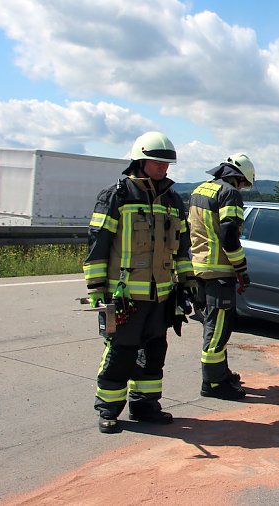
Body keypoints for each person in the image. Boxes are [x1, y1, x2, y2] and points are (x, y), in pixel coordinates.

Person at [83, 131, 195, 433]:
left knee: (154, 352)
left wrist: (187, 283)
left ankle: (145, 405)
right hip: (125, 296)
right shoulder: (116, 197)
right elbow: (98, 244)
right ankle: (108, 409)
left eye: (167, 163)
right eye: (157, 162)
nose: (164, 168)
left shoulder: (173, 200)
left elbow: (182, 246)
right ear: (140, 160)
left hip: (161, 295)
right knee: (121, 352)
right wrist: (96, 289)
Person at [189, 153, 256, 400]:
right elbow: (229, 236)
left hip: (200, 267)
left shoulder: (200, 190)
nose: (242, 188)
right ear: (238, 177)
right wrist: (241, 269)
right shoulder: (229, 193)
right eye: (243, 183)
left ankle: (221, 373)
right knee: (218, 329)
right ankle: (214, 383)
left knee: (213, 324)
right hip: (219, 270)